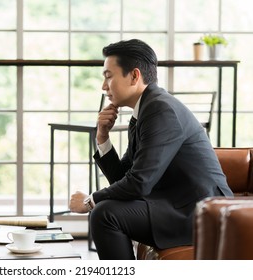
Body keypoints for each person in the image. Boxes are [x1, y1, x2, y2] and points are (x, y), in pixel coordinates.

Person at [69, 39, 233, 260]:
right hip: (177, 206)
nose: (104, 86)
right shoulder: (144, 110)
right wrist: (102, 137)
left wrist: (90, 201)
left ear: (134, 76)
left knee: (104, 213)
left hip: (200, 213)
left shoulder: (160, 109)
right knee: (106, 209)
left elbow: (139, 183)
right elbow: (123, 177)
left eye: (108, 76)